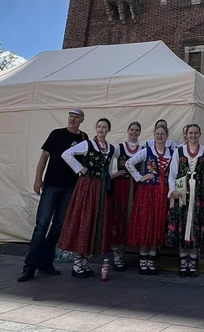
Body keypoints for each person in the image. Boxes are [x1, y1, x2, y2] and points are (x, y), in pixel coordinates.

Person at [18, 109, 85, 282]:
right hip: (51, 186)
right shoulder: (56, 134)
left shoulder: (83, 138)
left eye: (76, 117)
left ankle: (46, 262)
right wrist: (37, 179)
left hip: (70, 188)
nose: (72, 119)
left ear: (81, 120)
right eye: (71, 116)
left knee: (57, 227)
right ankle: (30, 266)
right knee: (42, 225)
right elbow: (44, 157)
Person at [58, 117, 118, 279]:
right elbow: (67, 154)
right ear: (95, 128)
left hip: (101, 189)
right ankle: (77, 263)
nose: (101, 129)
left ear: (108, 129)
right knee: (83, 220)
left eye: (104, 127)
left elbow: (110, 169)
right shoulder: (88, 144)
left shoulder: (111, 149)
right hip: (88, 187)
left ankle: (84, 263)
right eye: (99, 126)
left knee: (94, 222)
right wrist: (80, 168)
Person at [126, 120, 177, 274]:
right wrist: (140, 177)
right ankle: (143, 262)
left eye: (162, 134)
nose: (159, 136)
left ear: (167, 136)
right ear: (154, 136)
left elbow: (174, 172)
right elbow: (129, 163)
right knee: (146, 223)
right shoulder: (147, 151)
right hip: (148, 192)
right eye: (157, 134)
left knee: (158, 224)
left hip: (163, 192)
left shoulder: (172, 153)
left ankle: (151, 261)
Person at [169, 123, 204, 276]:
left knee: (196, 227)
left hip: (199, 195)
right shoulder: (178, 151)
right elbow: (172, 174)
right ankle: (183, 262)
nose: (193, 136)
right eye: (190, 133)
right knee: (182, 227)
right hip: (182, 195)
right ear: (186, 135)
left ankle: (192, 262)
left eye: (195, 133)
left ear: (200, 134)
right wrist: (172, 191)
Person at [111, 121, 142, 271]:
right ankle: (118, 256)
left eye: (137, 130)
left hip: (136, 187)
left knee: (132, 217)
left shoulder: (142, 149)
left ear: (139, 133)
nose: (134, 132)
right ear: (127, 131)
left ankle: (138, 253)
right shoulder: (119, 147)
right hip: (121, 187)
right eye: (132, 129)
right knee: (119, 217)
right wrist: (114, 174)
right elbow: (108, 163)